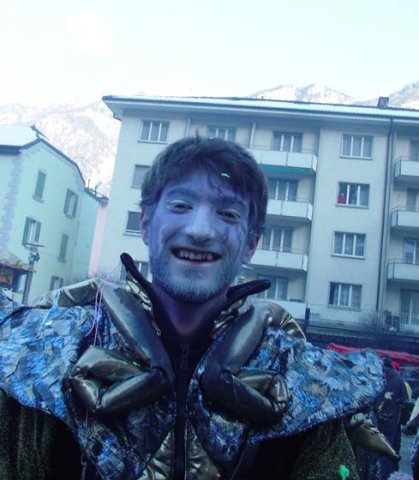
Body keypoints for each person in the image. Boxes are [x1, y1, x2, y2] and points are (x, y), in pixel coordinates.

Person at [0, 137, 384, 480]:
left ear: (251, 243)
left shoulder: (303, 383)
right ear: (146, 224)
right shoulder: (48, 357)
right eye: (181, 205)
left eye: (228, 214)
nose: (200, 230)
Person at [376, 355, 409, 478]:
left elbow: (405, 403)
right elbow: (405, 402)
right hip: (389, 424)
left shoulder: (393, 379)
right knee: (386, 454)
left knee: (385, 454)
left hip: (387, 424)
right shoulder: (393, 379)